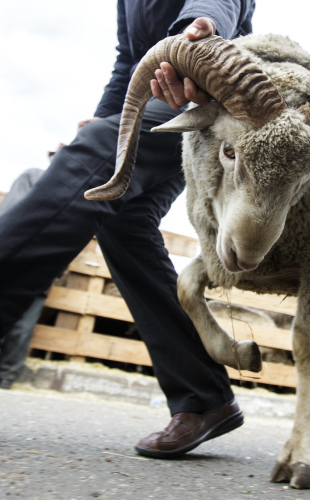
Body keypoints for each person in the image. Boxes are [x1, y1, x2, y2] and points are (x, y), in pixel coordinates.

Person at [0, 1, 257, 458]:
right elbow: (128, 58)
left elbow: (218, 4)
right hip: (156, 95)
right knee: (124, 224)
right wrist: (104, 119)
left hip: (207, 101)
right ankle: (204, 398)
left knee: (94, 162)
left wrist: (196, 28)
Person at [0, 168, 46, 389]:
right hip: (46, 257)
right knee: (25, 318)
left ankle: (8, 374)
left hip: (17, 247)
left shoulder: (35, 176)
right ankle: (8, 375)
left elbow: (12, 209)